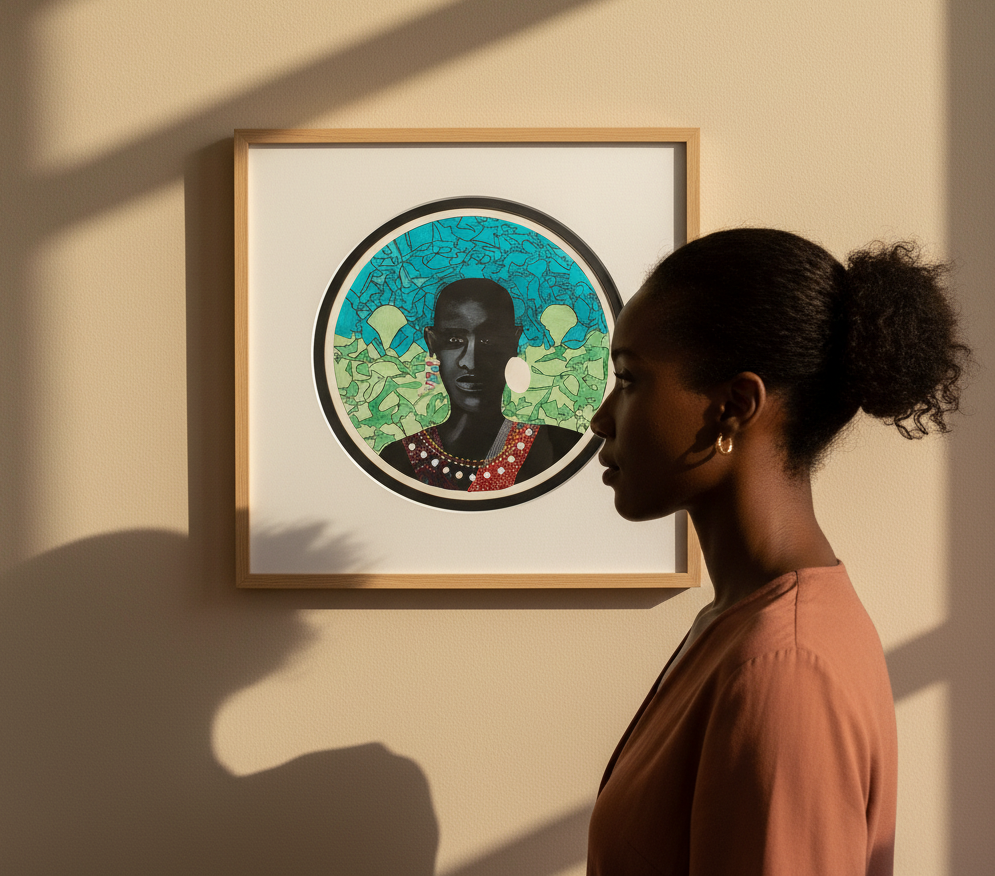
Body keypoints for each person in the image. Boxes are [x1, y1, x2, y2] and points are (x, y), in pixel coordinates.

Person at [586, 229, 969, 876]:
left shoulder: (784, 665)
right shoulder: (745, 623)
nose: (601, 418)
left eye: (628, 379)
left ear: (733, 407)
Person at [379, 277, 581, 491]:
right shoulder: (397, 459)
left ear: (513, 343)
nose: (470, 362)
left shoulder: (562, 447)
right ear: (432, 342)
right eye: (455, 341)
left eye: (489, 340)